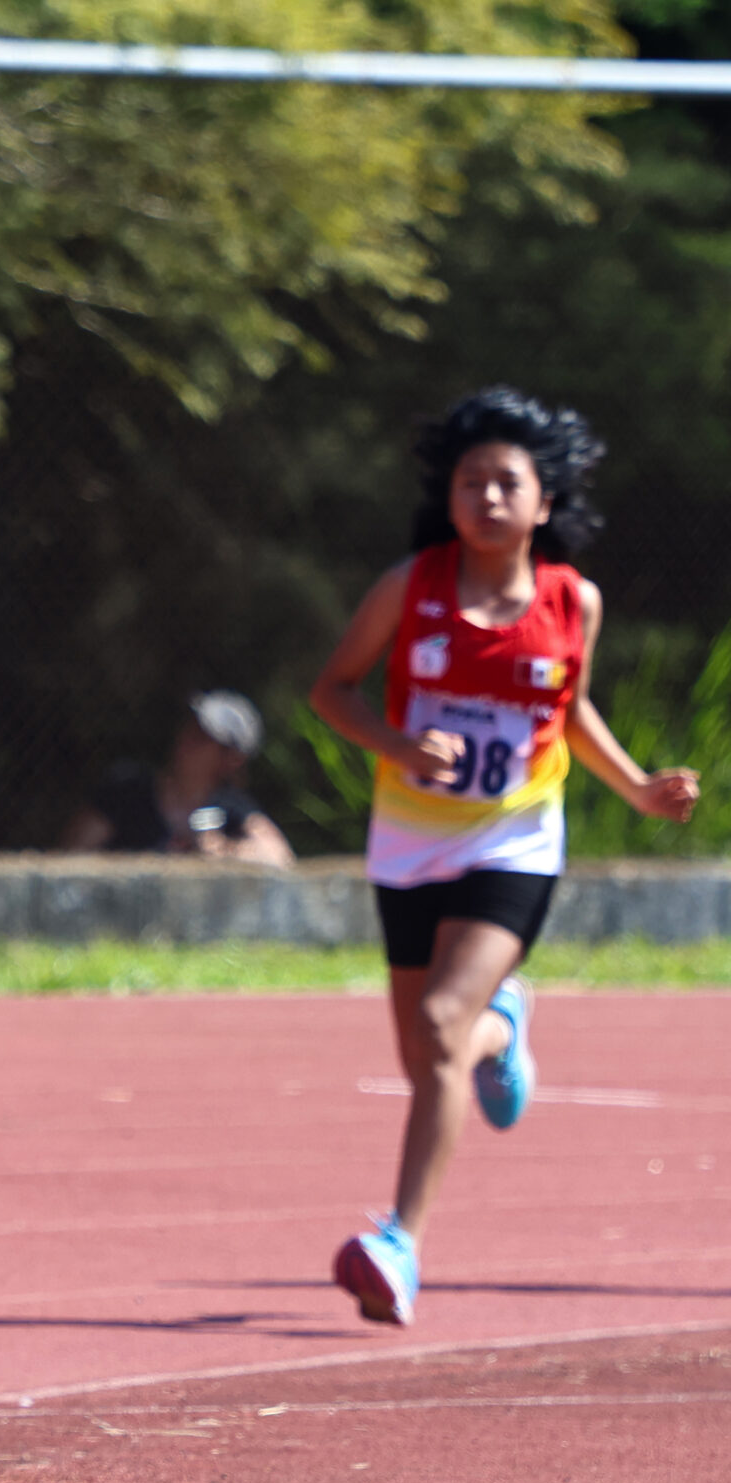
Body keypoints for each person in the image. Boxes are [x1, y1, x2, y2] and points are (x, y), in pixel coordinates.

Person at [310, 386, 697, 1328]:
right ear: (447, 497)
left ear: (544, 501)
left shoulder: (573, 601)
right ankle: (506, 1026)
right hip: (410, 842)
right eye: (470, 481)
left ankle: (399, 1245)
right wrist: (399, 746)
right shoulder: (410, 587)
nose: (486, 496)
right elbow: (333, 691)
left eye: (506, 483)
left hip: (514, 838)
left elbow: (570, 710)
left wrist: (637, 788)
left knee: (442, 1022)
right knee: (427, 1055)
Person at [62, 690, 295, 866]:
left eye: (203, 737)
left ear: (231, 759)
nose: (187, 739)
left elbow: (281, 858)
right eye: (190, 727)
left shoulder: (233, 807)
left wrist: (224, 852)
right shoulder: (128, 790)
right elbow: (72, 857)